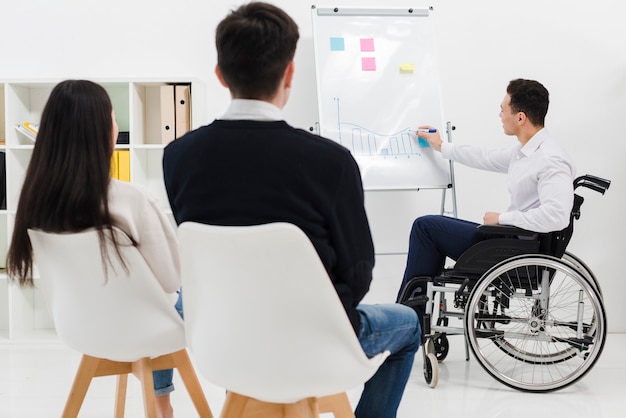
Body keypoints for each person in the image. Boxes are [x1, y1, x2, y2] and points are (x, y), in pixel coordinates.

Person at [162, 3, 421, 417]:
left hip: (224, 344)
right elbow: (358, 273)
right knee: (408, 324)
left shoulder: (178, 157)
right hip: (313, 346)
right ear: (289, 74)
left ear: (219, 75)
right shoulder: (330, 162)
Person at [5, 80, 181, 418]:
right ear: (103, 131)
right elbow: (171, 279)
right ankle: (165, 404)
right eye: (113, 117)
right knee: (189, 295)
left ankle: (161, 404)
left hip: (83, 327)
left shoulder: (35, 205)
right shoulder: (134, 200)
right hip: (148, 328)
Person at [398, 78, 576, 299]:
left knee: (425, 227)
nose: (500, 115)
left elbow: (557, 217)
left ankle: (409, 317)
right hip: (512, 241)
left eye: (503, 110)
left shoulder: (550, 159)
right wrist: (442, 146)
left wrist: (503, 218)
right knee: (431, 230)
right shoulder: (525, 153)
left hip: (514, 249)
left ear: (520, 117)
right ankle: (415, 316)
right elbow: (485, 157)